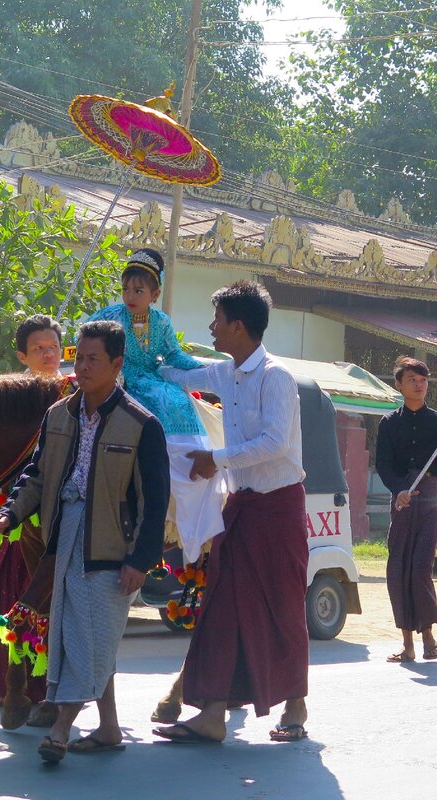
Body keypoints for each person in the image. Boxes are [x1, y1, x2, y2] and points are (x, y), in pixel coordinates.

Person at [0, 320, 169, 762]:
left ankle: (61, 728)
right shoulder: (58, 416)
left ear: (117, 364)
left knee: (88, 635)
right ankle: (108, 728)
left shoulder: (142, 425)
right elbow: (36, 475)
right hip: (60, 538)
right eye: (79, 357)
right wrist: (11, 511)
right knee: (79, 634)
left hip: (111, 549)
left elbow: (155, 500)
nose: (82, 367)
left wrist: (141, 559)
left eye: (93, 359)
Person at [152, 280, 310, 744]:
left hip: (279, 507)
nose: (211, 327)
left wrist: (214, 459)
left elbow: (274, 444)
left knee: (283, 607)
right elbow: (181, 377)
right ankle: (213, 712)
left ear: (238, 327)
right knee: (220, 603)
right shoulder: (226, 372)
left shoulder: (276, 377)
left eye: (217, 320)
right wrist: (142, 356)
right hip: (239, 506)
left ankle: (295, 707)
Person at [88, 248, 225, 564]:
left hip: (151, 380)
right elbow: (87, 338)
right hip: (121, 380)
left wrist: (203, 371)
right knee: (153, 398)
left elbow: (173, 356)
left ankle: (186, 470)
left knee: (174, 398)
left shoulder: (161, 322)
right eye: (126, 289)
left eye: (138, 290)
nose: (130, 296)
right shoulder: (109, 317)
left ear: (155, 293)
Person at [0, 314, 65, 728]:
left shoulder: (74, 392)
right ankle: (5, 683)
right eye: (38, 349)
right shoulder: (11, 397)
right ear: (22, 356)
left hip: (52, 515)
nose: (48, 355)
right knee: (11, 591)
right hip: (14, 508)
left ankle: (43, 688)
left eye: (53, 347)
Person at [376, 357, 437, 662]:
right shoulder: (388, 424)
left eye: (423, 379)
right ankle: (407, 643)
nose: (419, 384)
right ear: (399, 384)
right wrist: (398, 489)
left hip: (431, 498)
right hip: (402, 497)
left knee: (420, 567)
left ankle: (428, 636)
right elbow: (383, 464)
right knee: (398, 568)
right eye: (412, 379)